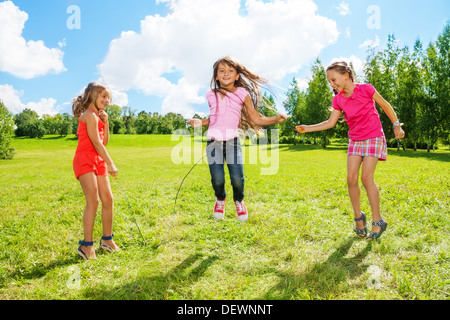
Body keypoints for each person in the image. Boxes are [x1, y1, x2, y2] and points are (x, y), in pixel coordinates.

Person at [296, 61, 405, 240]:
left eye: (334, 80)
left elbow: (385, 105)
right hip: (355, 139)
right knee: (351, 177)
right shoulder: (338, 99)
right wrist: (307, 128)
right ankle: (358, 219)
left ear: (346, 75)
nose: (332, 84)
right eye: (329, 82)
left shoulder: (366, 89)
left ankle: (378, 221)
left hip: (373, 136)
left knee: (366, 177)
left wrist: (396, 126)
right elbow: (330, 123)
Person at [189, 56, 287, 222]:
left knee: (237, 178)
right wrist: (201, 122)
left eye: (230, 70)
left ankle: (239, 201)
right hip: (213, 143)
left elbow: (255, 118)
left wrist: (274, 119)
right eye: (222, 71)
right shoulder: (210, 94)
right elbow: (215, 117)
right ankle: (220, 199)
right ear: (216, 76)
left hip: (233, 143)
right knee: (217, 178)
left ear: (237, 76)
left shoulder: (242, 93)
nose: (226, 73)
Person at [72, 82, 119, 260]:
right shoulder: (88, 115)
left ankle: (107, 240)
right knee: (93, 201)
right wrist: (111, 163)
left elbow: (104, 141)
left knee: (108, 199)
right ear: (93, 95)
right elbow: (96, 144)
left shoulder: (98, 118)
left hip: (98, 160)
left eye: (108, 98)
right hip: (85, 160)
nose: (107, 100)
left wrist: (106, 122)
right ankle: (86, 245)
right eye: (103, 96)